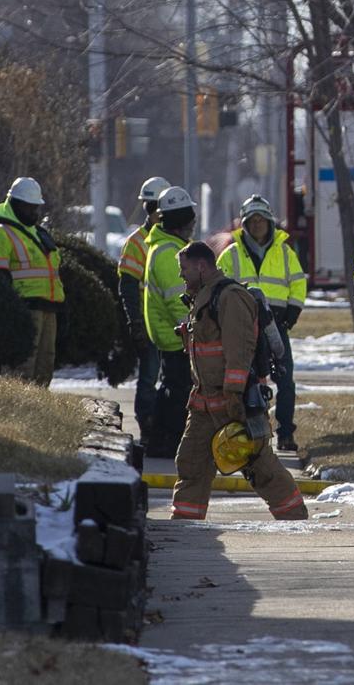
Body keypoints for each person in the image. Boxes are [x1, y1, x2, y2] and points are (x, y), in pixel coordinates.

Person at [170, 241, 307, 521]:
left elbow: (240, 350)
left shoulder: (230, 297)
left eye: (184, 268)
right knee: (191, 462)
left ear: (201, 266)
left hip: (234, 401)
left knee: (258, 464)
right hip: (204, 403)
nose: (181, 275)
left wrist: (234, 394)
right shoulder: (203, 298)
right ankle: (184, 524)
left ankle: (293, 514)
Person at [217, 195, 307, 452]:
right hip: (243, 328)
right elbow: (219, 288)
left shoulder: (285, 252)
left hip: (277, 325)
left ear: (269, 222)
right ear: (244, 224)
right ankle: (248, 431)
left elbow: (298, 283)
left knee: (285, 380)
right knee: (246, 381)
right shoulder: (230, 254)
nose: (257, 224)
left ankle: (286, 434)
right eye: (252, 220)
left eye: (261, 219)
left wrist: (292, 312)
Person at [0, 177, 63, 386]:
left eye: (35, 207)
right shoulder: (0, 234)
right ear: (15, 204)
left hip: (48, 307)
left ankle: (39, 407)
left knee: (45, 366)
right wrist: (11, 312)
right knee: (22, 369)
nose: (33, 212)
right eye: (28, 207)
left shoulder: (38, 234)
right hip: (24, 309)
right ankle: (16, 406)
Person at [142, 186, 198, 457]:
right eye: (190, 218)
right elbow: (178, 300)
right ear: (181, 220)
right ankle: (167, 442)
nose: (193, 223)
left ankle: (161, 441)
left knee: (172, 386)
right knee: (177, 390)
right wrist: (194, 329)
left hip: (173, 332)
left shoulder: (171, 246)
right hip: (175, 334)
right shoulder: (168, 253)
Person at [118, 176, 170, 446]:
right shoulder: (137, 242)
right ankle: (147, 428)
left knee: (172, 377)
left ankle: (165, 426)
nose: (154, 212)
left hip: (172, 321)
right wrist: (135, 321)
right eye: (151, 207)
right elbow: (128, 285)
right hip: (149, 321)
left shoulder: (176, 239)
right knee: (149, 376)